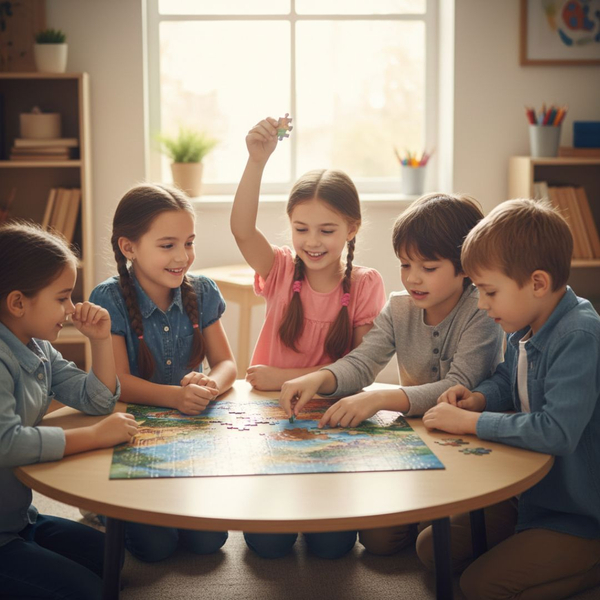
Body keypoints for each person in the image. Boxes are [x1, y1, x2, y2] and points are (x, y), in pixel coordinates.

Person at [280, 192, 504, 556]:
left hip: (469, 445)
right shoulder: (400, 306)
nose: (413, 278)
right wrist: (318, 378)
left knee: (439, 544)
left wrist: (381, 398)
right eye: (405, 265)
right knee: (378, 542)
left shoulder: (481, 308)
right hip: (417, 442)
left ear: (465, 267)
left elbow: (457, 384)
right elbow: (364, 360)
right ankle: (422, 514)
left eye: (428, 268)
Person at [419, 199, 600, 600]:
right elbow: (508, 376)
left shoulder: (579, 335)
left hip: (575, 514)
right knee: (433, 548)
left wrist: (470, 424)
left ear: (536, 283)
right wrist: (479, 399)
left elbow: (556, 432)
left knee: (479, 586)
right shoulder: (526, 321)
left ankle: (591, 564)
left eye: (489, 291)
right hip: (527, 495)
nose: (482, 305)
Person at [231, 116, 386, 559]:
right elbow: (242, 230)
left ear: (352, 229)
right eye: (301, 229)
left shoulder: (365, 283)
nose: (312, 242)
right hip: (271, 421)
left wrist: (284, 375)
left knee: (333, 548)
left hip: (334, 422)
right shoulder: (279, 268)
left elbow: (362, 372)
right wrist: (255, 161)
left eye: (327, 230)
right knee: (267, 545)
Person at [90, 183, 236, 562]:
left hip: (191, 435)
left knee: (210, 542)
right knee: (155, 549)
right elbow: (119, 380)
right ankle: (104, 508)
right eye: (167, 245)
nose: (183, 256)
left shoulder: (202, 291)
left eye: (189, 242)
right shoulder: (109, 298)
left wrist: (209, 384)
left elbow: (227, 364)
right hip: (135, 433)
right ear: (129, 247)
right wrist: (175, 397)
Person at [0, 222, 137, 600]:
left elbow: (96, 400)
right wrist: (93, 436)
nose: (72, 308)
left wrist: (101, 340)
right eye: (62, 298)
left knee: (112, 562)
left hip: (18, 519)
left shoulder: (38, 347)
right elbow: (7, 444)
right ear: (17, 302)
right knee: (93, 592)